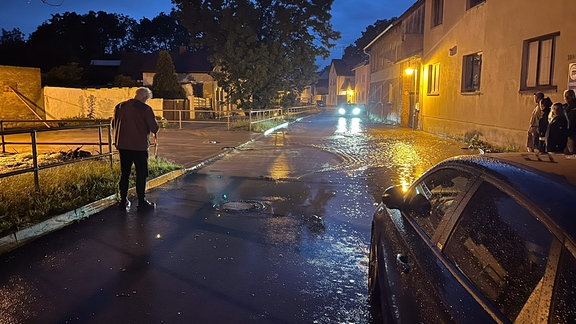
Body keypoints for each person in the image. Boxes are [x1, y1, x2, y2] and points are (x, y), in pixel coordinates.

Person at [112, 87, 159, 211]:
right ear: (144, 98)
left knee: (125, 174)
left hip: (122, 145)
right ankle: (141, 202)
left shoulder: (120, 106)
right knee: (141, 174)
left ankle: (123, 201)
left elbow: (113, 124)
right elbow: (154, 128)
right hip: (139, 147)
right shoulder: (145, 109)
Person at [563, 89, 576, 154]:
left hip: (573, 135)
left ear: (573, 96)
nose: (567, 98)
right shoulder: (564, 108)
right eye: (565, 96)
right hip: (566, 135)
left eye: (569, 96)